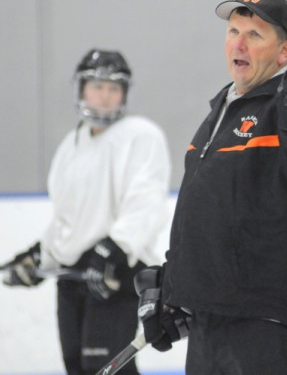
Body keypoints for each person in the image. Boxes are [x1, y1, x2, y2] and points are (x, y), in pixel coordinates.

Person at [134, 0, 287, 374]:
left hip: (267, 324)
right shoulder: (220, 111)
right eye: (233, 32)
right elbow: (204, 211)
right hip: (210, 322)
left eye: (255, 35)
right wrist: (173, 287)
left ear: (284, 51)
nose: (239, 45)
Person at [1, 49, 171, 375]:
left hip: (116, 273)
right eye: (97, 87)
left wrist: (114, 248)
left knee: (105, 368)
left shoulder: (141, 135)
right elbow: (67, 218)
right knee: (77, 367)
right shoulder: (71, 144)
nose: (105, 96)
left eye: (113, 88)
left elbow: (146, 202)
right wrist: (40, 256)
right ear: (81, 89)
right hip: (72, 278)